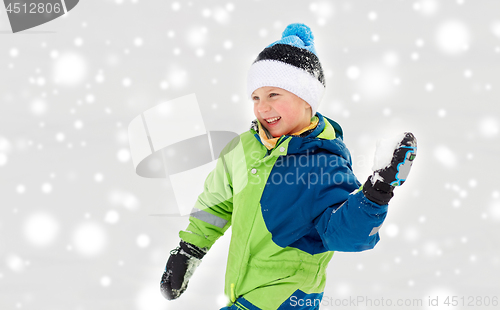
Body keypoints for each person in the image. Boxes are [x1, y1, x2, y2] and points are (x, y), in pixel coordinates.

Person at [160, 23, 417, 310]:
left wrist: (377, 192)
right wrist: (189, 250)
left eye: (274, 95)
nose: (262, 107)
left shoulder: (324, 162)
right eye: (256, 97)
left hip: (289, 297)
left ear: (306, 99)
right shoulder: (243, 148)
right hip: (243, 293)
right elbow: (218, 204)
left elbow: (345, 233)